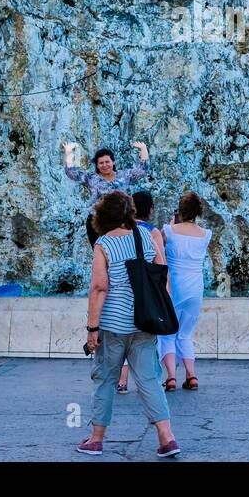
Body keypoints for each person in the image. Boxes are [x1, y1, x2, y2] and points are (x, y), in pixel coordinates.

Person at [78, 192, 181, 458]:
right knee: (149, 380)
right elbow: (161, 270)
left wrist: (92, 328)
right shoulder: (145, 236)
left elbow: (100, 287)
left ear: (103, 216)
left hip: (113, 324)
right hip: (144, 321)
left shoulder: (103, 244)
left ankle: (96, 439)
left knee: (105, 379)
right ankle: (167, 438)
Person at [159, 191, 212, 391]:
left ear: (180, 210)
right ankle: (192, 375)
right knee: (185, 333)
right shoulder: (206, 234)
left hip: (173, 286)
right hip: (195, 287)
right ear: (198, 212)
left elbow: (158, 249)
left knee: (167, 334)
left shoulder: (169, 230)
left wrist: (172, 224)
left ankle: (171, 377)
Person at [117, 191, 163, 394]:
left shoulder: (121, 229)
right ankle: (153, 382)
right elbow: (161, 265)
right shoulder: (152, 232)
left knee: (126, 333)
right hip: (145, 291)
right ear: (150, 209)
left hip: (125, 290)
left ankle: (122, 381)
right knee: (147, 339)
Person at [63, 140, 150, 245]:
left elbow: (142, 170)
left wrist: (143, 149)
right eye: (101, 163)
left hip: (120, 220)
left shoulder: (124, 176)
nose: (104, 165)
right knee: (99, 250)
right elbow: (71, 172)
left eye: (107, 162)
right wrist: (68, 152)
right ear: (97, 165)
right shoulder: (91, 178)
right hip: (96, 221)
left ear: (113, 162)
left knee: (119, 251)